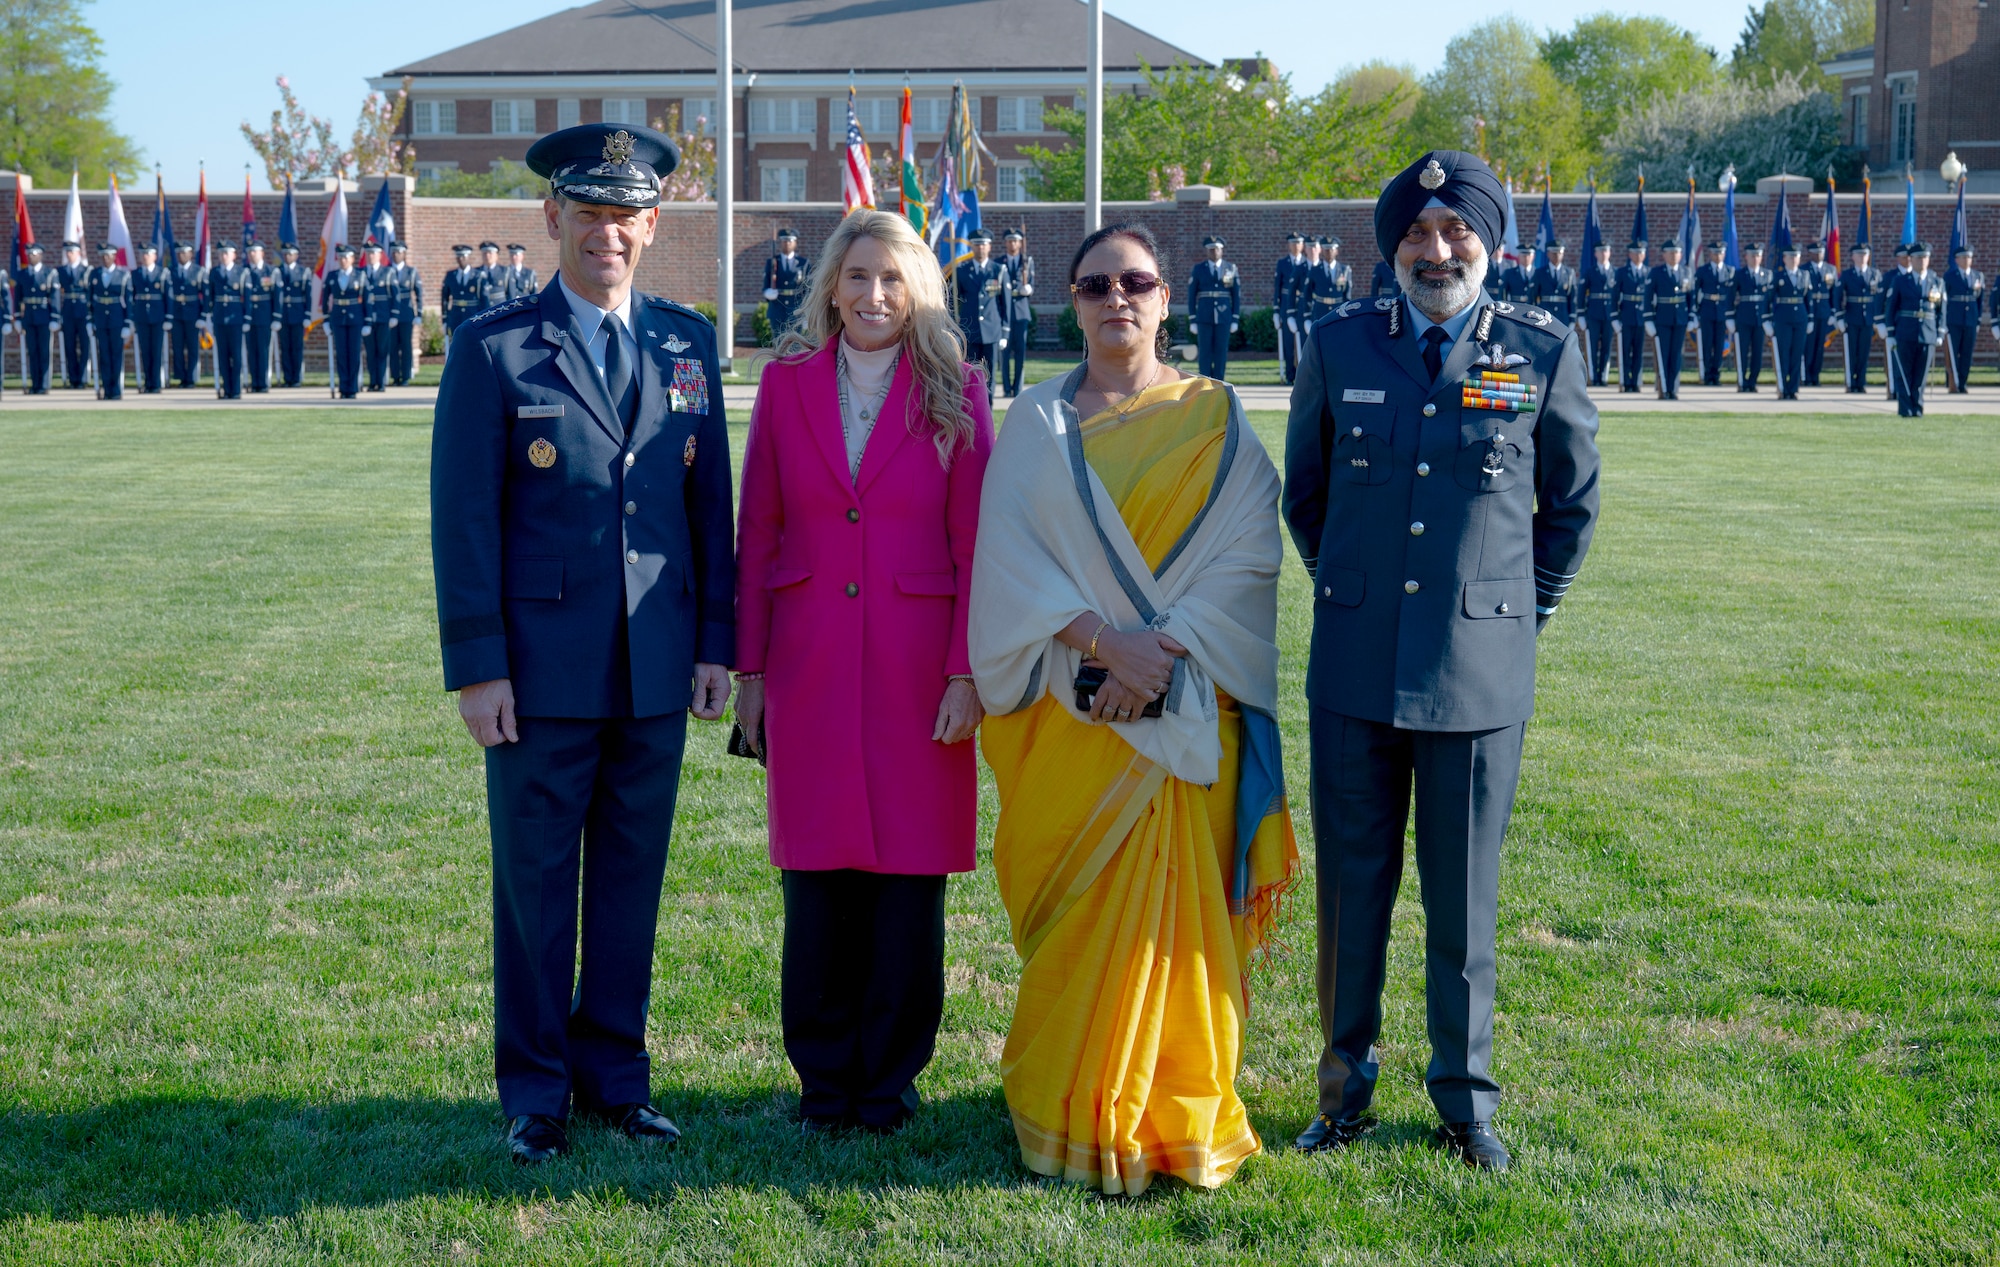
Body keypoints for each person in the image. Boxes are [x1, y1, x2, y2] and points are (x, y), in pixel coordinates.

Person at [1282, 150, 1600, 1172]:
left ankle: (1465, 1104)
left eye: (1455, 232)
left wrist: (1514, 614)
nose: (1435, 250)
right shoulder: (1336, 346)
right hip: (1353, 670)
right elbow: (1308, 497)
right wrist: (1356, 590)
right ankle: (1341, 1094)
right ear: (1390, 250)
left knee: (1463, 904)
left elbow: (1569, 505)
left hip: (1476, 675)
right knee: (1349, 894)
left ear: (1489, 242)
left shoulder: (1540, 349)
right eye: (1415, 235)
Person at [971, 221, 1298, 1196]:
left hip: (1187, 710)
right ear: (1068, 302)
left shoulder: (1213, 415)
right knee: (1078, 915)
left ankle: (1174, 1111)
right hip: (1072, 721)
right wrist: (1101, 646)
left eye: (1137, 281)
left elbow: (1247, 558)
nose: (1117, 297)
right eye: (1093, 284)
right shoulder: (1030, 421)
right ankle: (1066, 1105)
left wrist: (1153, 657)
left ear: (1165, 298)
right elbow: (1004, 568)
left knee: (1179, 930)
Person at [432, 121, 735, 1165]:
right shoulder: (495, 347)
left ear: (653, 225)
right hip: (539, 672)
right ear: (553, 218)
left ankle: (617, 1078)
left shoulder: (685, 342)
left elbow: (710, 511)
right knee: (534, 885)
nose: (608, 232)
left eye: (627, 215)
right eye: (589, 213)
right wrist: (477, 666)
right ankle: (535, 1091)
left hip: (655, 665)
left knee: (628, 881)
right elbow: (463, 518)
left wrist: (715, 646)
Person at [733, 209, 993, 1135]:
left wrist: (967, 672)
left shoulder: (956, 391)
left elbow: (976, 548)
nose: (873, 296)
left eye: (891, 278)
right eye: (856, 277)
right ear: (830, 287)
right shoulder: (786, 385)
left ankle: (886, 1082)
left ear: (918, 288)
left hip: (919, 669)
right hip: (806, 662)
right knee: (818, 879)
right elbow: (758, 529)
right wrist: (751, 673)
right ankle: (823, 1078)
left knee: (906, 883)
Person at [1882, 242, 1944, 417]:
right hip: (1905, 332)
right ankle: (1905, 409)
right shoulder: (1900, 281)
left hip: (1927, 332)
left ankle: (1918, 407)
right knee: (1904, 372)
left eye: (1925, 257)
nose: (1922, 261)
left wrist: (1940, 332)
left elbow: (1941, 310)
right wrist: (1891, 333)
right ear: (1911, 260)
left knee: (1921, 374)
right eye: (1918, 258)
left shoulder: (1936, 281)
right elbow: (1891, 308)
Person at [954, 228, 1004, 405]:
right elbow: (953, 301)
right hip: (970, 329)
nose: (980, 248)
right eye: (976, 245)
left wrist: (1005, 332)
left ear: (989, 247)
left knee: (990, 372)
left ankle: (988, 408)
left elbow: (1004, 304)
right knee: (970, 371)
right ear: (972, 247)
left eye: (983, 245)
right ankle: (973, 405)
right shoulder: (961, 271)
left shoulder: (998, 270)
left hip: (992, 330)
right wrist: (955, 327)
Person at [1187, 234, 1241, 380]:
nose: (1214, 252)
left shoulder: (1230, 268)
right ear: (1206, 251)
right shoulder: (1198, 269)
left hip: (1224, 317)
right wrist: (1192, 319)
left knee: (1221, 351)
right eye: (1211, 249)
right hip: (1204, 316)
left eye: (1217, 249)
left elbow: (1235, 295)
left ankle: (1219, 381)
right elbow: (1192, 296)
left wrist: (1235, 318)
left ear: (1222, 250)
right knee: (1205, 351)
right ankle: (1205, 381)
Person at [1644, 240, 1691, 400]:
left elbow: (1690, 298)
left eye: (1676, 252)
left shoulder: (1686, 272)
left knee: (1676, 355)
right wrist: (1648, 319)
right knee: (1663, 355)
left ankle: (1673, 388)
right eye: (1670, 252)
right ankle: (1663, 388)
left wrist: (1691, 317)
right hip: (1662, 319)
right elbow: (1648, 297)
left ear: (1681, 254)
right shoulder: (1657, 273)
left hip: (1680, 320)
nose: (1673, 255)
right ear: (1664, 254)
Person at [1833, 243, 1881, 393]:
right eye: (1858, 255)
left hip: (1868, 319)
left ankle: (1861, 382)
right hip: (1852, 317)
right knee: (1851, 351)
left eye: (1864, 255)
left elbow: (1879, 297)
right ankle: (1850, 382)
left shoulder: (1875, 274)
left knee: (1864, 352)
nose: (1862, 258)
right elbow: (1837, 296)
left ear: (1868, 257)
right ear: (1853, 257)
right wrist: (1839, 317)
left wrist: (1877, 319)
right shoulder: (1847, 275)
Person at [86, 244, 132, 399]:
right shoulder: (94, 274)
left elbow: (128, 301)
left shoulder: (122, 275)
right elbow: (90, 299)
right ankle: (107, 389)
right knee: (104, 355)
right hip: (100, 320)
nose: (106, 258)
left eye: (109, 255)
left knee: (116, 355)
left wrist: (127, 323)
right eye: (103, 255)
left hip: (116, 319)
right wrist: (90, 319)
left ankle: (116, 389)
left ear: (114, 256)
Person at [12, 243, 58, 393]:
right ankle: (35, 384)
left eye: (34, 253)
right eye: (29, 254)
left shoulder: (49, 274)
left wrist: (55, 317)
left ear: (41, 255)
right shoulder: (23, 274)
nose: (31, 256)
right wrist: (18, 317)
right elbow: (18, 297)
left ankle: (44, 384)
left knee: (44, 351)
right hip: (29, 318)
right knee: (32, 351)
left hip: (44, 317)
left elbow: (54, 297)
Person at [321, 243, 365, 398]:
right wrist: (326, 320)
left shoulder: (360, 275)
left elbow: (367, 300)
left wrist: (368, 322)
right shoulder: (332, 276)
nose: (343, 260)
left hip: (355, 319)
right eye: (340, 257)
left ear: (352, 258)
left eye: (346, 257)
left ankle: (352, 388)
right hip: (338, 318)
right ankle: (343, 387)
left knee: (353, 354)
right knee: (341, 354)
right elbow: (325, 299)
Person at [1769, 244, 1811, 400]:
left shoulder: (1804, 275)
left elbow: (1809, 299)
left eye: (1796, 257)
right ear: (1784, 259)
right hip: (1783, 318)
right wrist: (1768, 319)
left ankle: (1793, 388)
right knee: (1783, 353)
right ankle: (1782, 387)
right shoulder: (1778, 276)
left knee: (1797, 354)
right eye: (1790, 257)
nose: (1793, 260)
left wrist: (1810, 318)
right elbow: (1770, 298)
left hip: (1800, 317)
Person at [205, 243, 247, 399]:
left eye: (227, 253)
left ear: (234, 255)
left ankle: (236, 389)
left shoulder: (241, 272)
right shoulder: (214, 273)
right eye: (221, 253)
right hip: (219, 318)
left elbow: (246, 297)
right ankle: (226, 388)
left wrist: (246, 317)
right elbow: (210, 295)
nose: (223, 256)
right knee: (222, 355)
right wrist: (209, 316)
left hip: (235, 318)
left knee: (236, 355)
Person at [996, 227, 1034, 396]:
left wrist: (1028, 289)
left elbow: (1030, 284)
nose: (1013, 243)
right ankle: (1006, 388)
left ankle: (1017, 388)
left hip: (1020, 312)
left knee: (1020, 352)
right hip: (1004, 313)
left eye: (1016, 240)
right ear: (1005, 243)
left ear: (1020, 243)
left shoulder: (1027, 261)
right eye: (1010, 240)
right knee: (1004, 354)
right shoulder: (998, 262)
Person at [1728, 242, 1770, 392]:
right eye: (1752, 255)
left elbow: (1770, 299)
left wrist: (1769, 319)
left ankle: (1753, 381)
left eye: (1758, 255)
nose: (1755, 258)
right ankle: (1742, 380)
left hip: (1760, 320)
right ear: (1746, 257)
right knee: (1742, 351)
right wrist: (1730, 317)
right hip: (1744, 317)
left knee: (1757, 352)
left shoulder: (1767, 274)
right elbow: (1730, 296)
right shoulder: (1739, 274)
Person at [1943, 245, 1983, 393]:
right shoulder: (1950, 276)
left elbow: (1980, 300)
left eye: (1969, 257)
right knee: (1952, 352)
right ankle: (1952, 381)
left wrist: (1977, 320)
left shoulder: (1977, 276)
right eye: (1963, 257)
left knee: (1967, 352)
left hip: (1970, 320)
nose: (1967, 260)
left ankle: (1963, 382)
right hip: (1954, 320)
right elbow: (1945, 299)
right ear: (1957, 259)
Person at [129, 244, 169, 393]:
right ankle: (148, 383)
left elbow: (167, 297)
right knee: (145, 351)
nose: (145, 256)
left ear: (154, 256)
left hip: (158, 317)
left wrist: (168, 317)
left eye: (148, 254)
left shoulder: (162, 273)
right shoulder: (136, 274)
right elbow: (131, 297)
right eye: (143, 254)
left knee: (156, 351)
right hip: (142, 317)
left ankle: (156, 383)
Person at [1693, 241, 1733, 386]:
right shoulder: (1703, 271)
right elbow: (1695, 292)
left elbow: (1732, 295)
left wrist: (1731, 314)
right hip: (1707, 310)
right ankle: (1706, 374)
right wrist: (1695, 312)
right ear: (1710, 254)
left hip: (1722, 311)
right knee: (1707, 343)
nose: (1718, 256)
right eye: (1715, 253)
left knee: (1719, 344)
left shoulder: (1730, 271)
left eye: (1721, 252)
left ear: (1724, 254)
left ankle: (1716, 374)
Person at [242, 242, 278, 393]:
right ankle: (254, 381)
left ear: (262, 253)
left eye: (255, 252)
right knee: (251, 350)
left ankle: (263, 383)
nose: (252, 255)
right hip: (249, 317)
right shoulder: (244, 271)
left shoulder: (271, 271)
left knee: (263, 351)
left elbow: (277, 296)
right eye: (250, 252)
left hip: (265, 316)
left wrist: (276, 317)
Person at [762, 227, 809, 339]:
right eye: (784, 241)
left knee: (795, 344)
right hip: (777, 307)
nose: (787, 244)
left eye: (790, 241)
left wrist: (807, 313)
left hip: (796, 308)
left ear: (795, 243)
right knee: (778, 342)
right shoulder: (772, 262)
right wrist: (768, 292)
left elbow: (808, 289)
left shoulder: (803, 263)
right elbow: (766, 285)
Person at [1614, 240, 1648, 392]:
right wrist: (1615, 317)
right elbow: (1614, 295)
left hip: (1641, 318)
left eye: (1641, 252)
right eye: (1636, 252)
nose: (1639, 255)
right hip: (1626, 317)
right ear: (1630, 254)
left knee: (1638, 352)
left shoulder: (1648, 272)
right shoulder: (1622, 272)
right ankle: (1626, 382)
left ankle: (1636, 381)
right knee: (1625, 351)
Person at [1580, 240, 1616, 387]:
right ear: (1595, 254)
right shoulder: (1590, 272)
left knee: (1607, 347)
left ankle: (1604, 377)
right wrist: (1581, 314)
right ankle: (1593, 377)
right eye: (1600, 251)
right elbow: (1581, 294)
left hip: (1609, 315)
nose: (1603, 254)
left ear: (1609, 253)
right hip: (1593, 314)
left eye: (1605, 251)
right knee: (1593, 346)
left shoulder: (1615, 272)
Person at [277, 244, 312, 387]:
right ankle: (288, 378)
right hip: (283, 314)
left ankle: (296, 378)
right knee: (285, 348)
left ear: (296, 256)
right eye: (285, 254)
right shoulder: (277, 271)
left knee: (297, 348)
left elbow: (308, 296)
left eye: (290, 254)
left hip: (297, 314)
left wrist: (307, 315)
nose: (287, 256)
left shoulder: (303, 272)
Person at [1274, 231, 1307, 384]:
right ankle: (1289, 375)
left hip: (1301, 304)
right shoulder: (1282, 263)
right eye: (1293, 243)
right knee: (1288, 343)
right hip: (1287, 305)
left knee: (1305, 341)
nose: (1296, 246)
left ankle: (1303, 374)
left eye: (1299, 242)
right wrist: (1276, 310)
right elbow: (1277, 288)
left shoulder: (1307, 263)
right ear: (1289, 245)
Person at [1802, 240, 1836, 387]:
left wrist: (1833, 312)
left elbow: (1834, 293)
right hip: (1809, 311)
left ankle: (1816, 375)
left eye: (1821, 252)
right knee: (1808, 346)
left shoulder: (1831, 269)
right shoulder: (1804, 270)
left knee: (1820, 347)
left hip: (1824, 311)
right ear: (1810, 253)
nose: (1819, 255)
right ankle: (1807, 375)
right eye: (1815, 252)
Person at [1302, 236, 1352, 334]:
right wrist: (1307, 316)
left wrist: (1347, 314)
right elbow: (1307, 294)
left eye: (1331, 249)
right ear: (1321, 250)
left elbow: (1347, 295)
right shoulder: (1314, 270)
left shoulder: (1344, 270)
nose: (1329, 252)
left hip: (1338, 311)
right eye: (1326, 249)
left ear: (1336, 251)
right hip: (1320, 311)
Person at [389, 242, 423, 386]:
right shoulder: (388, 271)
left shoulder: (411, 272)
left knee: (406, 346)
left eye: (399, 252)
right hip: (391, 313)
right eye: (394, 252)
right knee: (393, 346)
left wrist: (418, 314)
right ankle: (395, 376)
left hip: (406, 313)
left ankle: (406, 377)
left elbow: (419, 293)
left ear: (404, 254)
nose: (396, 254)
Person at [58, 240, 91, 388]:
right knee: (69, 346)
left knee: (85, 345)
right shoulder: (60, 271)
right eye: (68, 252)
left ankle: (83, 378)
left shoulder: (87, 271)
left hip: (83, 311)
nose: (70, 254)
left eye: (72, 251)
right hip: (68, 312)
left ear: (79, 253)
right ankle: (73, 379)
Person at [362, 243, 394, 392]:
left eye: (374, 253)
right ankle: (372, 381)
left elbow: (395, 295)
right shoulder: (361, 272)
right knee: (370, 351)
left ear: (380, 255)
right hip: (367, 319)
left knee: (382, 350)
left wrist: (394, 315)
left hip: (383, 317)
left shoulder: (387, 272)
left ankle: (380, 382)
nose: (371, 256)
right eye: (368, 253)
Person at [442, 244, 483, 344]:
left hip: (472, 314)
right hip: (455, 315)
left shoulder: (477, 275)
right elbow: (444, 298)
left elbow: (483, 298)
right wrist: (445, 318)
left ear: (469, 257)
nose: (461, 259)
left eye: (463, 256)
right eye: (458, 256)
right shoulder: (451, 275)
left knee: (472, 343)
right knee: (456, 343)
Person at [1529, 240, 1575, 324]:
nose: (1557, 255)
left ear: (1563, 254)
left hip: (1563, 314)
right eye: (1554, 253)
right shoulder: (1540, 272)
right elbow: (1533, 295)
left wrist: (1572, 317)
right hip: (1545, 313)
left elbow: (1572, 297)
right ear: (1548, 254)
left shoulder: (1569, 273)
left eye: (1559, 252)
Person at [477, 241, 509, 314]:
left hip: (501, 310)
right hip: (482, 311)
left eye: (490, 253)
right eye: (484, 253)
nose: (487, 256)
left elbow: (510, 294)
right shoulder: (476, 272)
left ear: (496, 255)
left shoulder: (505, 271)